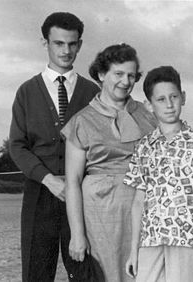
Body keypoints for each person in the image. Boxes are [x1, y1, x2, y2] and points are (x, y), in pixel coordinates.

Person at [9, 12, 102, 281]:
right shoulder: (27, 91)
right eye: (59, 43)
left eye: (72, 44)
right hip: (40, 195)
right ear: (45, 43)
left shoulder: (92, 93)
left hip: (83, 198)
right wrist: (49, 180)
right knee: (37, 274)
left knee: (86, 274)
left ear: (80, 45)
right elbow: (17, 146)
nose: (66, 50)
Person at [61, 43, 158, 282]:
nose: (125, 82)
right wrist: (77, 235)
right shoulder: (81, 121)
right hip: (100, 214)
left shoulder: (148, 115)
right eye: (118, 74)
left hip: (145, 208)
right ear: (102, 74)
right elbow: (72, 181)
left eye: (131, 76)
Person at [124, 66, 193, 282]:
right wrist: (134, 250)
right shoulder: (144, 147)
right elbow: (138, 202)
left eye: (174, 97)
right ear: (149, 105)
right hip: (150, 241)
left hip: (187, 240)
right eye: (161, 99)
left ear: (183, 97)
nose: (169, 105)